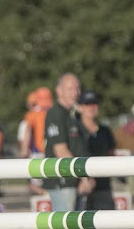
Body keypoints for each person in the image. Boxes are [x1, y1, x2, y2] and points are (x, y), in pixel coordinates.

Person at [44, 73, 95, 211]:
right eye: (70, 89)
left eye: (77, 88)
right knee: (66, 220)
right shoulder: (55, 113)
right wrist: (84, 176)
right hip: (63, 181)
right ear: (59, 91)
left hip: (76, 180)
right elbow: (61, 150)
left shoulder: (73, 114)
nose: (75, 93)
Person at [78, 90, 116, 210]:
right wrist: (84, 179)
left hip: (103, 186)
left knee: (107, 218)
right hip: (80, 187)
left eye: (94, 104)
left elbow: (111, 155)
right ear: (80, 107)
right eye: (87, 104)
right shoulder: (75, 130)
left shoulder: (105, 131)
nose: (91, 107)